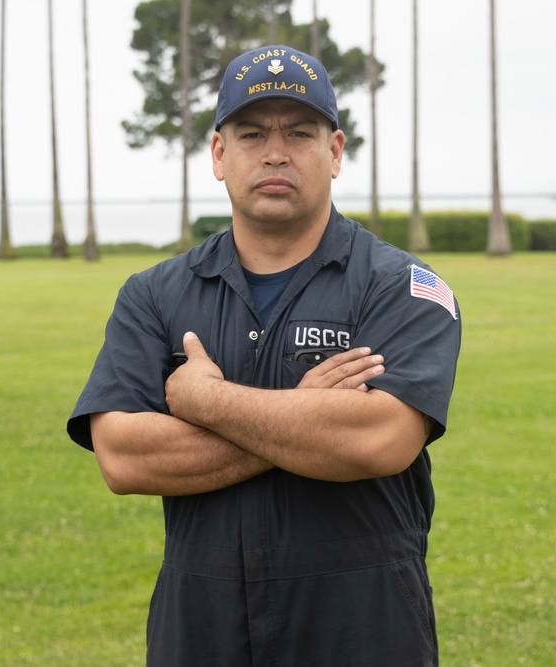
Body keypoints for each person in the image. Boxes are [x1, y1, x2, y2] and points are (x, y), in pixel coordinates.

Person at [68, 44, 461, 666]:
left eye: (300, 132)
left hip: (363, 630)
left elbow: (377, 441)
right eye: (251, 133)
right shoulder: (154, 294)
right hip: (202, 631)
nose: (275, 152)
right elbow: (122, 457)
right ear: (220, 157)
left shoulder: (400, 287)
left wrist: (205, 401)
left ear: (334, 153)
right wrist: (306, 418)